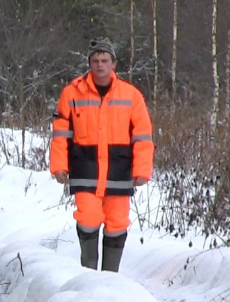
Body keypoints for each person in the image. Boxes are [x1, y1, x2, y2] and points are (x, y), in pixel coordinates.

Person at [49, 38, 154, 272]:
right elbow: (60, 135)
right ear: (89, 63)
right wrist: (59, 166)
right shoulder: (71, 93)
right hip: (84, 168)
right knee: (87, 218)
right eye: (95, 60)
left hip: (119, 169)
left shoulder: (131, 94)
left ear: (113, 64)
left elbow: (143, 136)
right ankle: (88, 274)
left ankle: (110, 278)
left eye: (104, 60)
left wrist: (142, 170)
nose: (100, 65)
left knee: (117, 223)